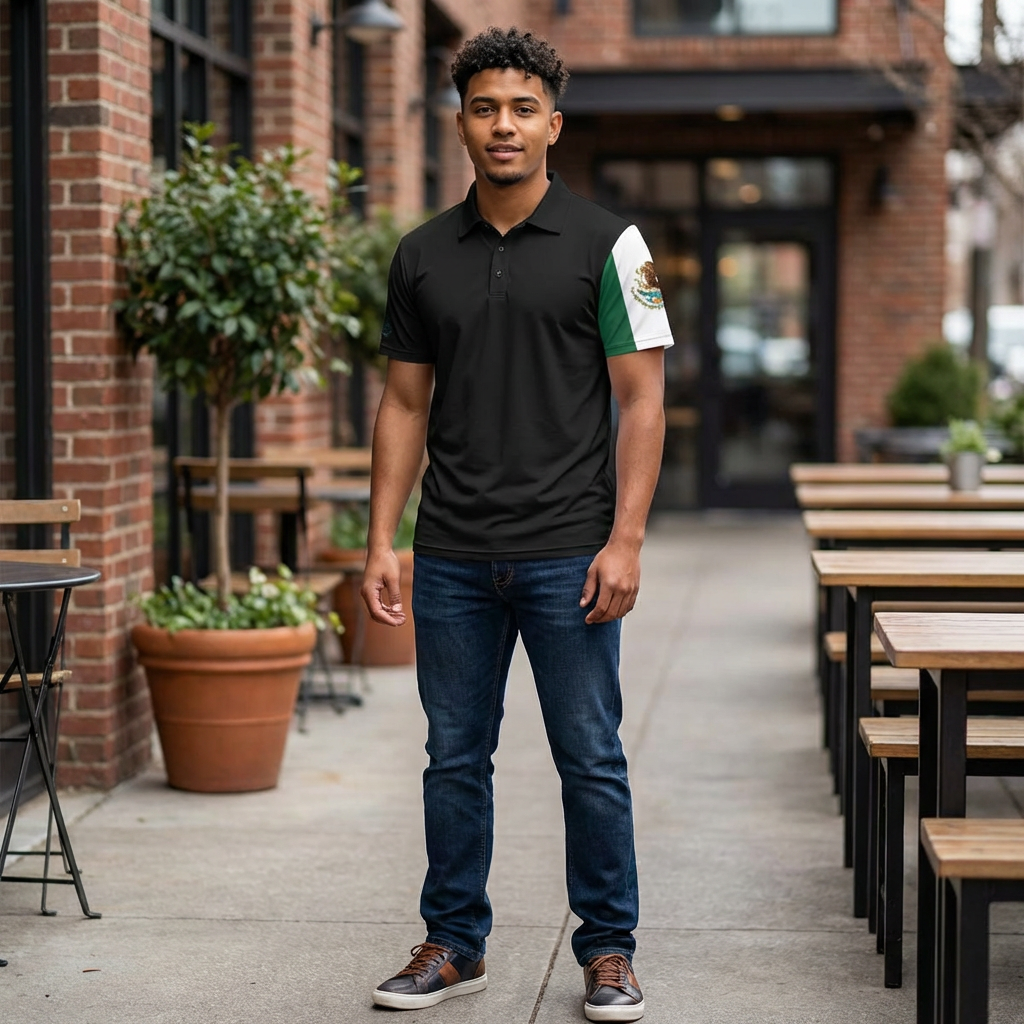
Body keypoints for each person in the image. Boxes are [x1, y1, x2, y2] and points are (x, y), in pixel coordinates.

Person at [361, 26, 672, 1023]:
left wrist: (623, 539)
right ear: (461, 121)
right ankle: (453, 942)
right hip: (451, 553)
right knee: (454, 756)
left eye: (522, 107)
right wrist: (382, 536)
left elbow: (644, 400)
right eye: (486, 107)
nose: (504, 124)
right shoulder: (421, 254)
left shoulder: (612, 246)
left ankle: (609, 949)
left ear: (553, 122)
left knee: (590, 754)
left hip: (569, 553)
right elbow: (404, 405)